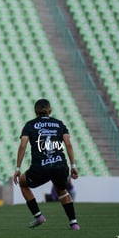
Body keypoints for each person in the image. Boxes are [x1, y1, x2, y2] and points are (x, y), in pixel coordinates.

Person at [13, 99, 80, 230]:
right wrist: (73, 166)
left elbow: (22, 145)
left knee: (22, 182)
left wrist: (17, 168)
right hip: (60, 165)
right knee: (62, 190)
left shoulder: (30, 125)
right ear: (50, 111)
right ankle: (74, 223)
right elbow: (68, 144)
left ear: (35, 112)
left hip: (41, 167)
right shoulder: (59, 124)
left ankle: (38, 216)